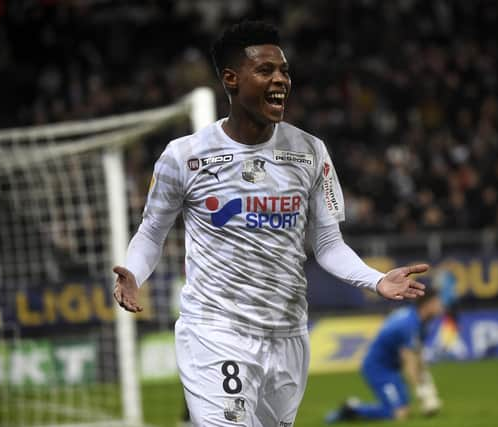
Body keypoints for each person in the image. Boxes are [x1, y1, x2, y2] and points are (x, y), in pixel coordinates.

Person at [113, 21, 427, 426]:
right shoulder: (184, 157)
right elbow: (152, 232)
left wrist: (375, 280)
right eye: (265, 71)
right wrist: (134, 272)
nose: (280, 80)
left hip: (287, 335)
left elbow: (328, 244)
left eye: (284, 71)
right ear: (231, 79)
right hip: (215, 329)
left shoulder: (310, 152)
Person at [325, 288, 444, 423]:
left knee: (404, 409)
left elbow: (418, 355)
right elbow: (410, 363)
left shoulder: (418, 320)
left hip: (391, 368)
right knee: (398, 413)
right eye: (438, 302)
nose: (441, 306)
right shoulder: (409, 325)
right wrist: (423, 392)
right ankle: (352, 409)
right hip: (378, 368)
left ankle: (358, 409)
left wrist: (426, 383)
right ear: (428, 305)